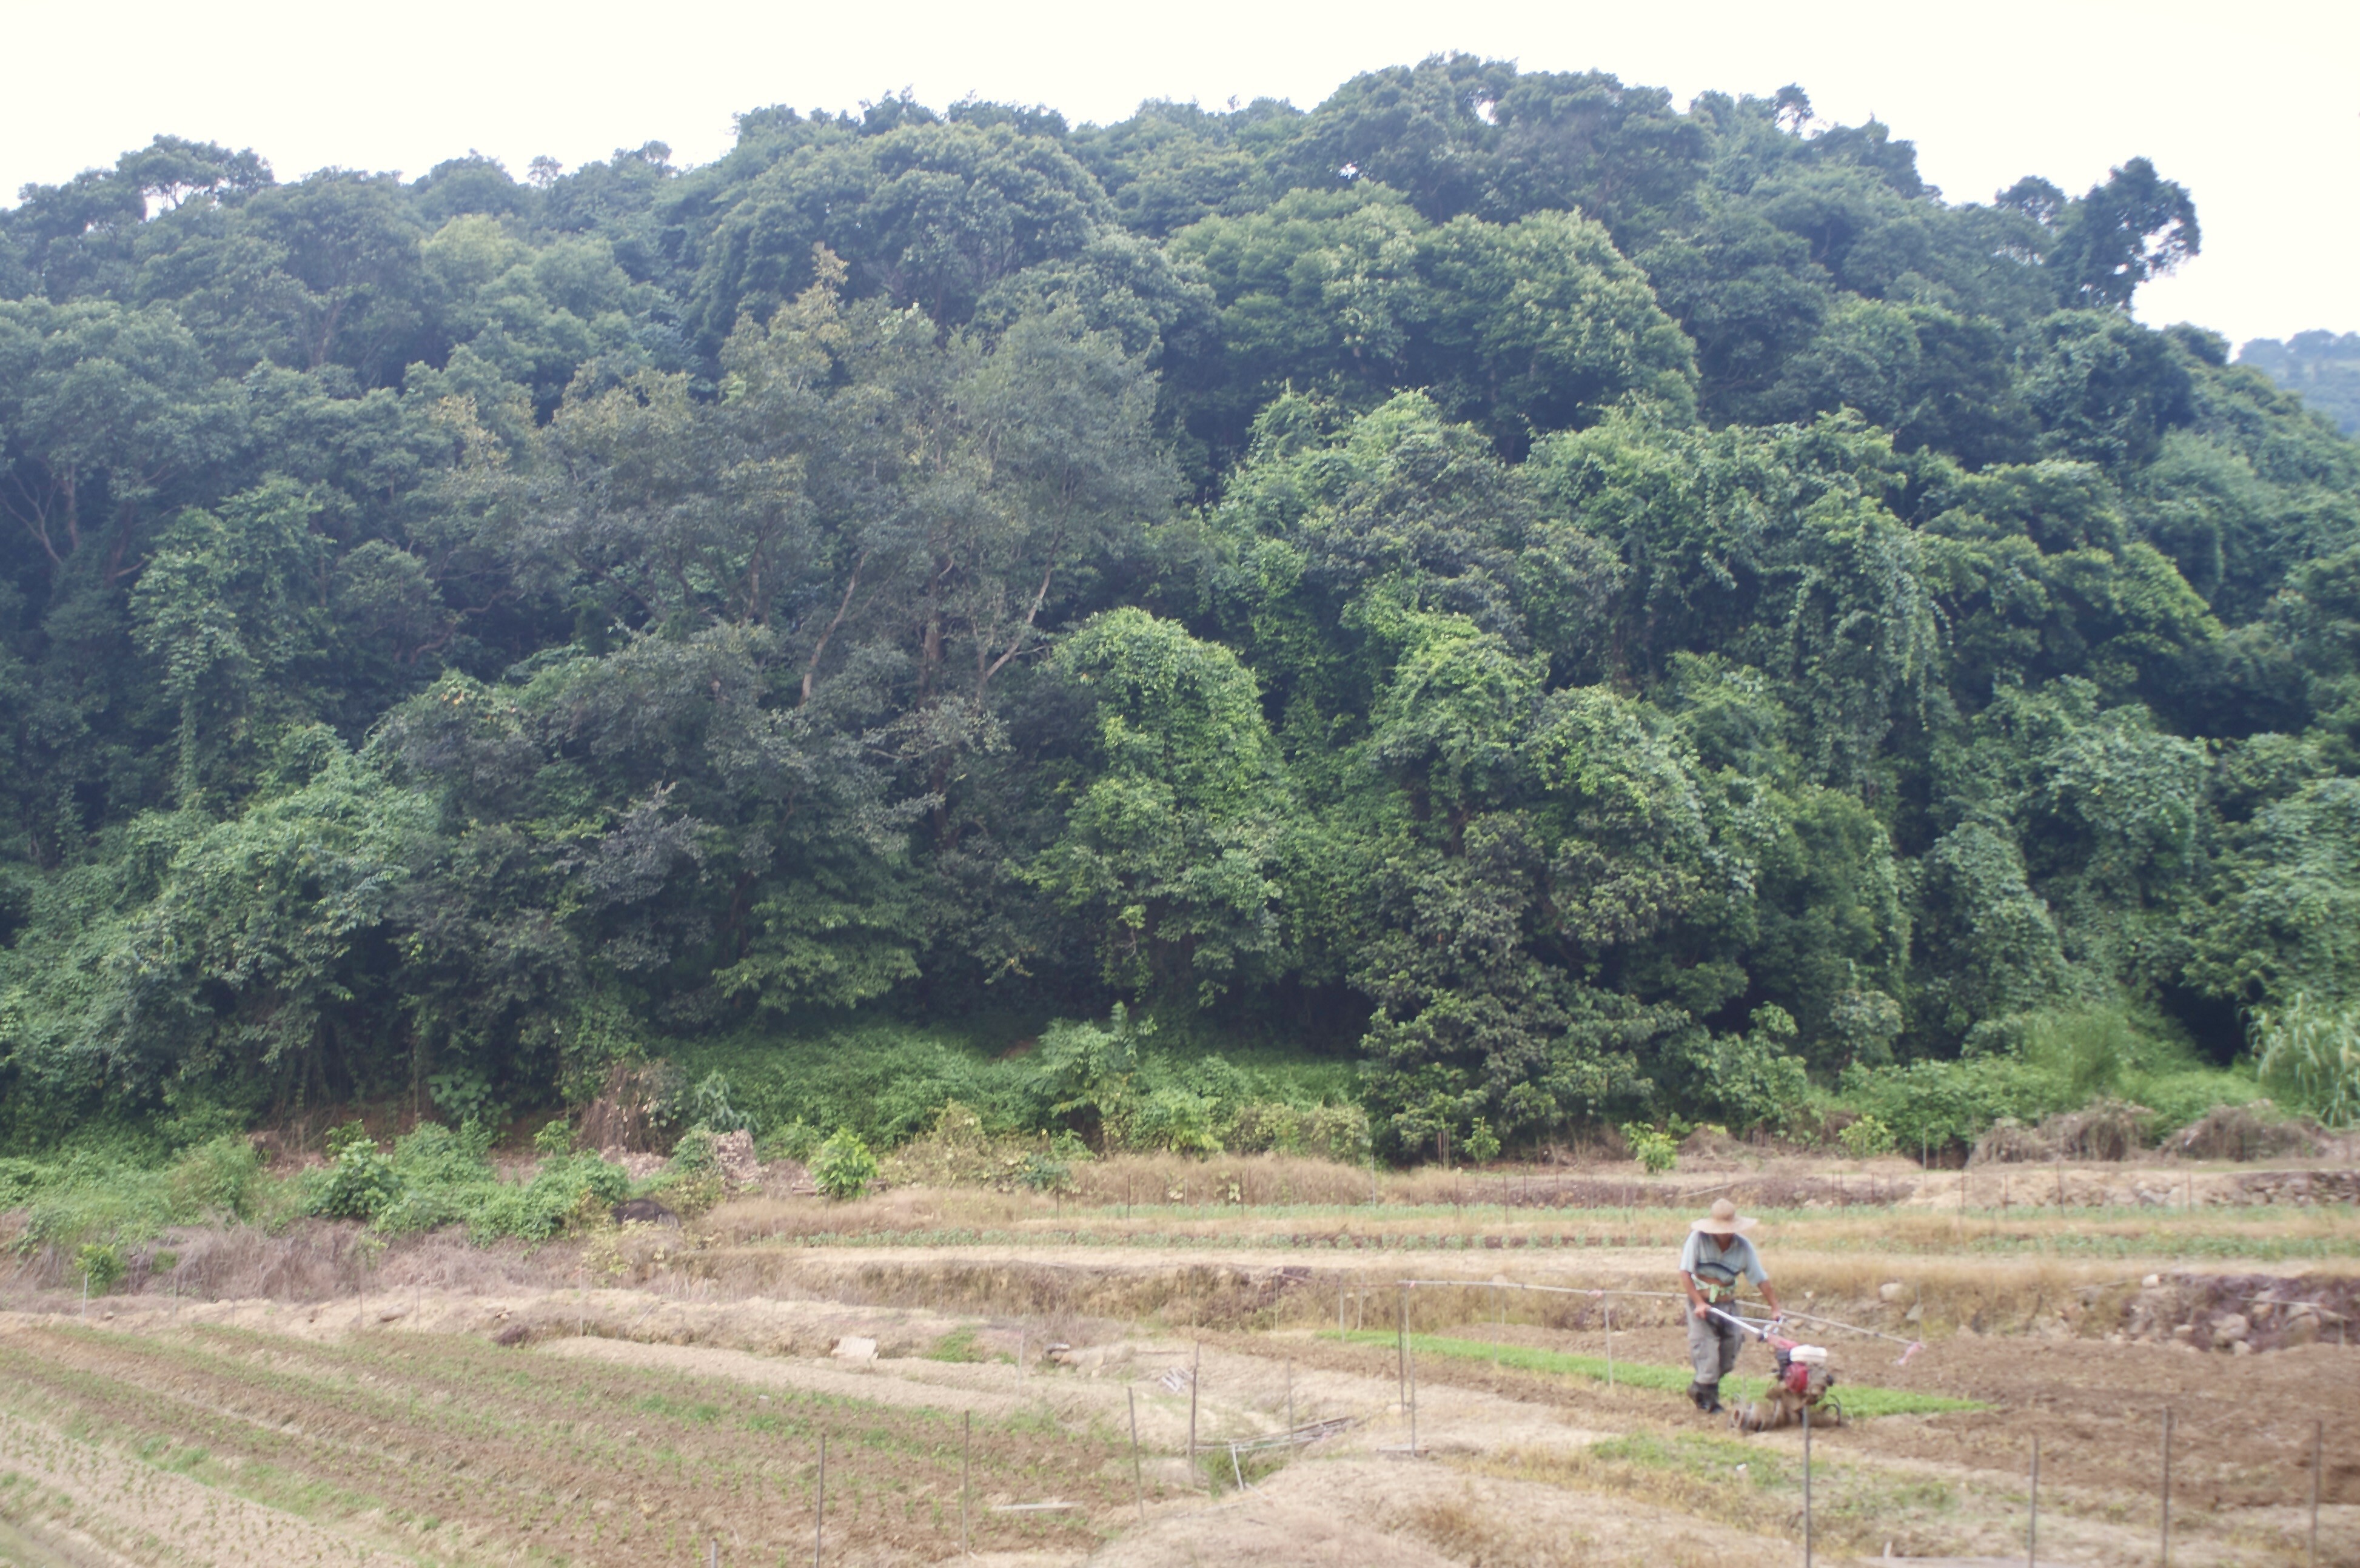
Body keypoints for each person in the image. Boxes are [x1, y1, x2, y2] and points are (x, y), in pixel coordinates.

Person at [1678, 1198, 1782, 1415]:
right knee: (1708, 1355)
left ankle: (1698, 1389)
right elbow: (1685, 1273)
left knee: (1729, 1353)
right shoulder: (1697, 1240)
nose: (1723, 1234)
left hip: (1728, 1306)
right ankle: (1709, 1401)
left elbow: (1761, 1279)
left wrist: (1775, 1309)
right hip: (1702, 1306)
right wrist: (1698, 1302)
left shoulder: (1743, 1248)